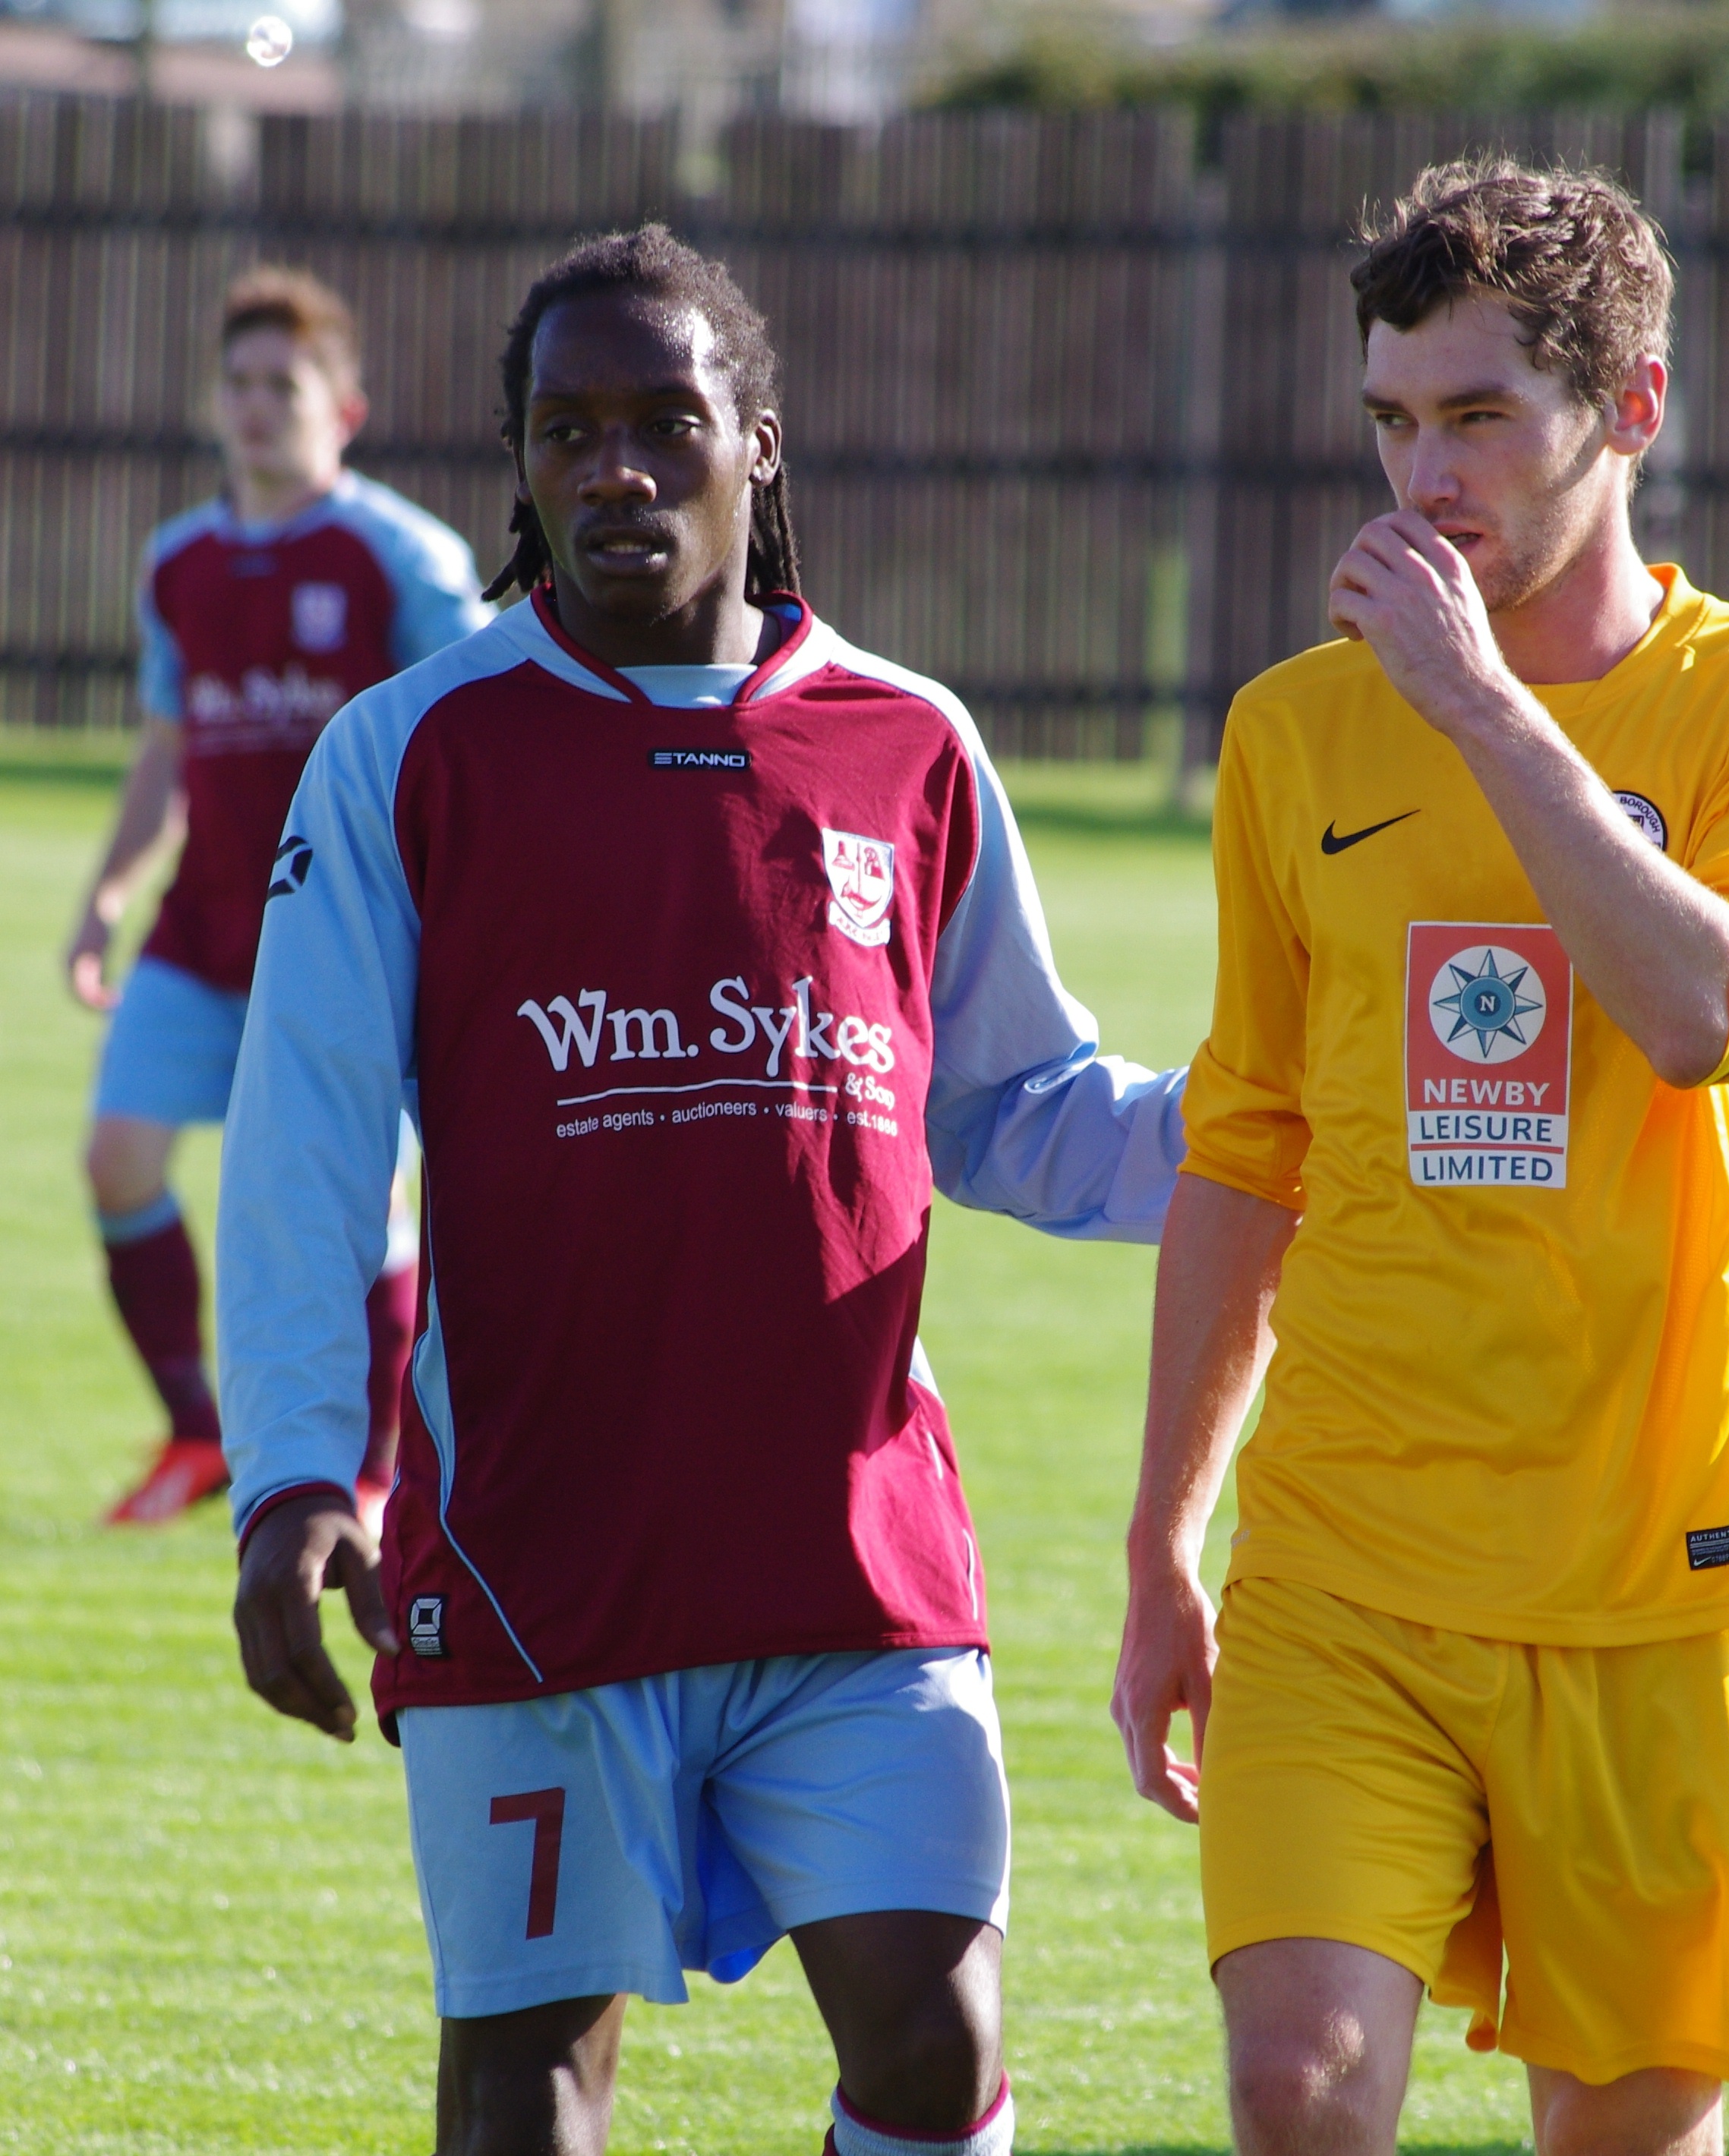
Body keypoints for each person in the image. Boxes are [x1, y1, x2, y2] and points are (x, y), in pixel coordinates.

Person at [218, 228, 1185, 2156]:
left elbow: (1016, 1107)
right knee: (525, 2097)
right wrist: (297, 1479)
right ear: (519, 464)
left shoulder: (904, 746)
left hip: (851, 1564)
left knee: (937, 2048)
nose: (614, 471)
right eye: (563, 430)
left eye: (664, 421)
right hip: (534, 1565)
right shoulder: (412, 757)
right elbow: (309, 1139)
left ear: (757, 440)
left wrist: (1292, 1139)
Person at [1112, 159, 1729, 2156]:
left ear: (1630, 409)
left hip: (1656, 1558)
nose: (1423, 474)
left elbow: (1699, 1008)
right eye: (1393, 419)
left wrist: (1473, 707)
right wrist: (1158, 1544)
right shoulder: (1291, 735)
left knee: (1621, 2135)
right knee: (1297, 2089)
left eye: (1478, 417)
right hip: (1345, 1557)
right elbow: (1246, 1146)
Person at [71, 265, 491, 1527]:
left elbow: (474, 741)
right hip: (200, 933)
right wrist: (106, 896)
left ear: (343, 409)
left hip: (357, 941)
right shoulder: (178, 562)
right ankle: (197, 1436)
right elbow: (167, 754)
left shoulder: (401, 556)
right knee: (116, 1158)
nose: (256, 408)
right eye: (239, 383)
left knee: (372, 1202)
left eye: (284, 385)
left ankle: (369, 1469)